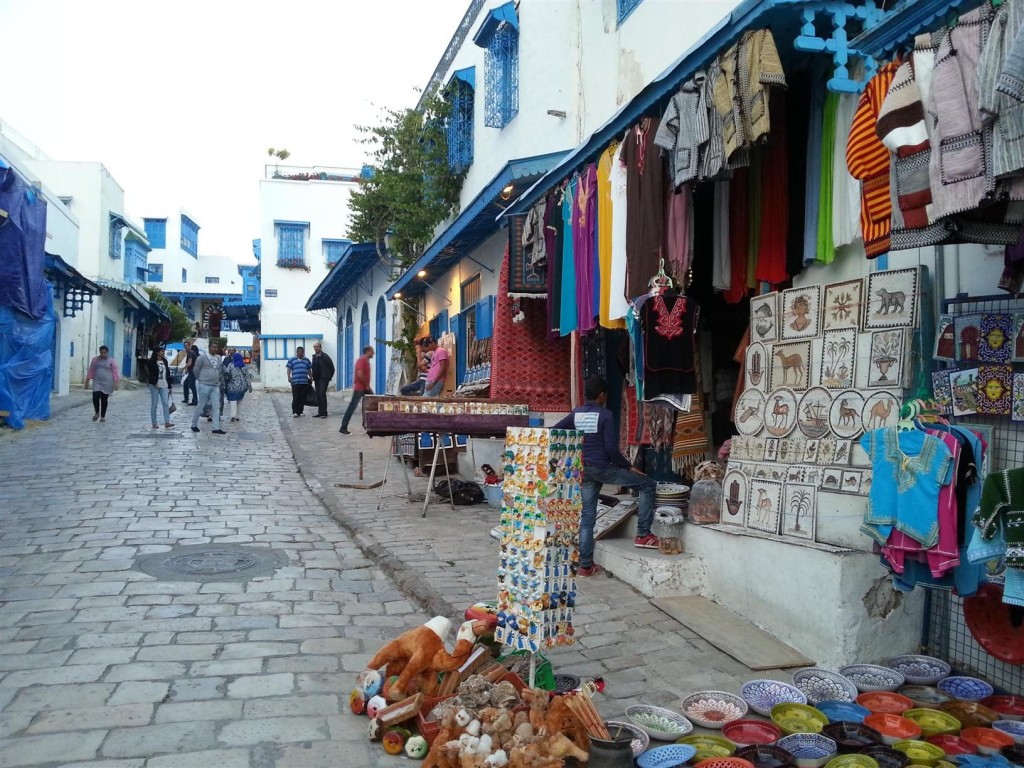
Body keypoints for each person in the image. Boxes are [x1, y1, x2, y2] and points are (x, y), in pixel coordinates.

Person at [554, 375, 660, 577]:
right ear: (602, 395)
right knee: (647, 484)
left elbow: (556, 430)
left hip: (583, 470)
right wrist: (628, 467)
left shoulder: (576, 414)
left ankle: (585, 566)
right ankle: (643, 534)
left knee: (587, 518)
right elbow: (611, 450)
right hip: (603, 468)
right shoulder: (605, 415)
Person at [190, 340, 226, 434]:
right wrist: (201, 379)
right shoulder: (202, 357)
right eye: (213, 347)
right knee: (201, 405)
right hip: (204, 384)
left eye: (216, 347)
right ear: (209, 347)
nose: (215, 349)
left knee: (216, 406)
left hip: (215, 385)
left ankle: (216, 427)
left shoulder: (218, 358)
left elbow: (218, 369)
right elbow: (196, 370)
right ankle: (194, 424)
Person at [340, 346, 374, 434]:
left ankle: (371, 426)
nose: (373, 353)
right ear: (367, 351)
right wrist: (366, 386)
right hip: (360, 388)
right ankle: (343, 427)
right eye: (372, 352)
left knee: (372, 405)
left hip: (365, 387)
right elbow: (360, 374)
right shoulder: (362, 360)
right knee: (352, 406)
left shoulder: (366, 361)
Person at [85, 345, 119, 423]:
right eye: (101, 352)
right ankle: (97, 412)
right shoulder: (95, 360)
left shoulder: (111, 361)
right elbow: (91, 370)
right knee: (95, 397)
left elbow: (115, 372)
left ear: (107, 352)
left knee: (104, 399)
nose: (103, 354)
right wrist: (87, 381)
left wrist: (116, 383)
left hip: (107, 382)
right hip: (97, 381)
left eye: (105, 352)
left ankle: (103, 416)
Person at [147, 347, 175, 429]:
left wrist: (169, 386)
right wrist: (154, 382)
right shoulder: (151, 362)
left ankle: (167, 422)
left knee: (165, 403)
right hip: (154, 385)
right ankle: (154, 423)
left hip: (164, 384)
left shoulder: (165, 361)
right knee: (154, 404)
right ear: (157, 352)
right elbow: (150, 374)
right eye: (162, 351)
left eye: (164, 351)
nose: (163, 353)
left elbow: (167, 374)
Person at [222, 351, 253, 422]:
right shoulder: (244, 366)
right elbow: (247, 377)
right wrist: (249, 387)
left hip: (232, 386)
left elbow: (226, 374)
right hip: (242, 387)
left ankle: (233, 415)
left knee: (233, 400)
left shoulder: (231, 365)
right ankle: (238, 416)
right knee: (239, 401)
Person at [286, 346, 313, 417]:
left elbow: (309, 370)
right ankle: (295, 412)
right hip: (295, 382)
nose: (301, 353)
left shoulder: (307, 360)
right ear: (296, 352)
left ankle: (301, 411)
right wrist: (289, 377)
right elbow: (289, 369)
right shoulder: (292, 359)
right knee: (296, 397)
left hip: (304, 382)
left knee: (302, 397)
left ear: (304, 352)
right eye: (299, 352)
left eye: (302, 352)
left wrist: (311, 377)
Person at [311, 342, 336, 418]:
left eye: (317, 347)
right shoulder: (314, 357)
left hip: (324, 379)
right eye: (315, 347)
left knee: (322, 394)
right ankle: (320, 412)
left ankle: (324, 413)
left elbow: (332, 368)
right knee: (318, 395)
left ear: (320, 347)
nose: (316, 348)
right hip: (317, 378)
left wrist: (328, 377)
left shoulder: (325, 356)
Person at [182, 339, 198, 405]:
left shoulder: (191, 353)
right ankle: (186, 399)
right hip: (191, 371)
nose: (186, 347)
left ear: (189, 346)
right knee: (186, 384)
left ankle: (195, 400)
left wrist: (183, 368)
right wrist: (186, 369)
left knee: (192, 386)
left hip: (193, 371)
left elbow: (190, 363)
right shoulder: (189, 353)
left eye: (187, 345)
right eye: (185, 345)